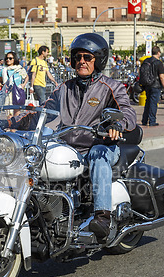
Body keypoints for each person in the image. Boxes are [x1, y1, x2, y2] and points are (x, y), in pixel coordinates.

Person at [42, 33, 136, 241]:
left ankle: (102, 216)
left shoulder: (111, 87)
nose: (81, 62)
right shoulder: (64, 88)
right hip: (69, 148)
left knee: (97, 153)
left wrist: (117, 124)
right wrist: (13, 122)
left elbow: (128, 112)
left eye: (87, 57)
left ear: (99, 60)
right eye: (77, 57)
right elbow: (44, 112)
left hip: (102, 144)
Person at [142, 46, 164, 127]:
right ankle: (152, 121)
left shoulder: (146, 61)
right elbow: (161, 76)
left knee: (147, 102)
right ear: (158, 52)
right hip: (155, 85)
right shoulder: (158, 62)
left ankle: (144, 120)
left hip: (147, 85)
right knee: (153, 103)